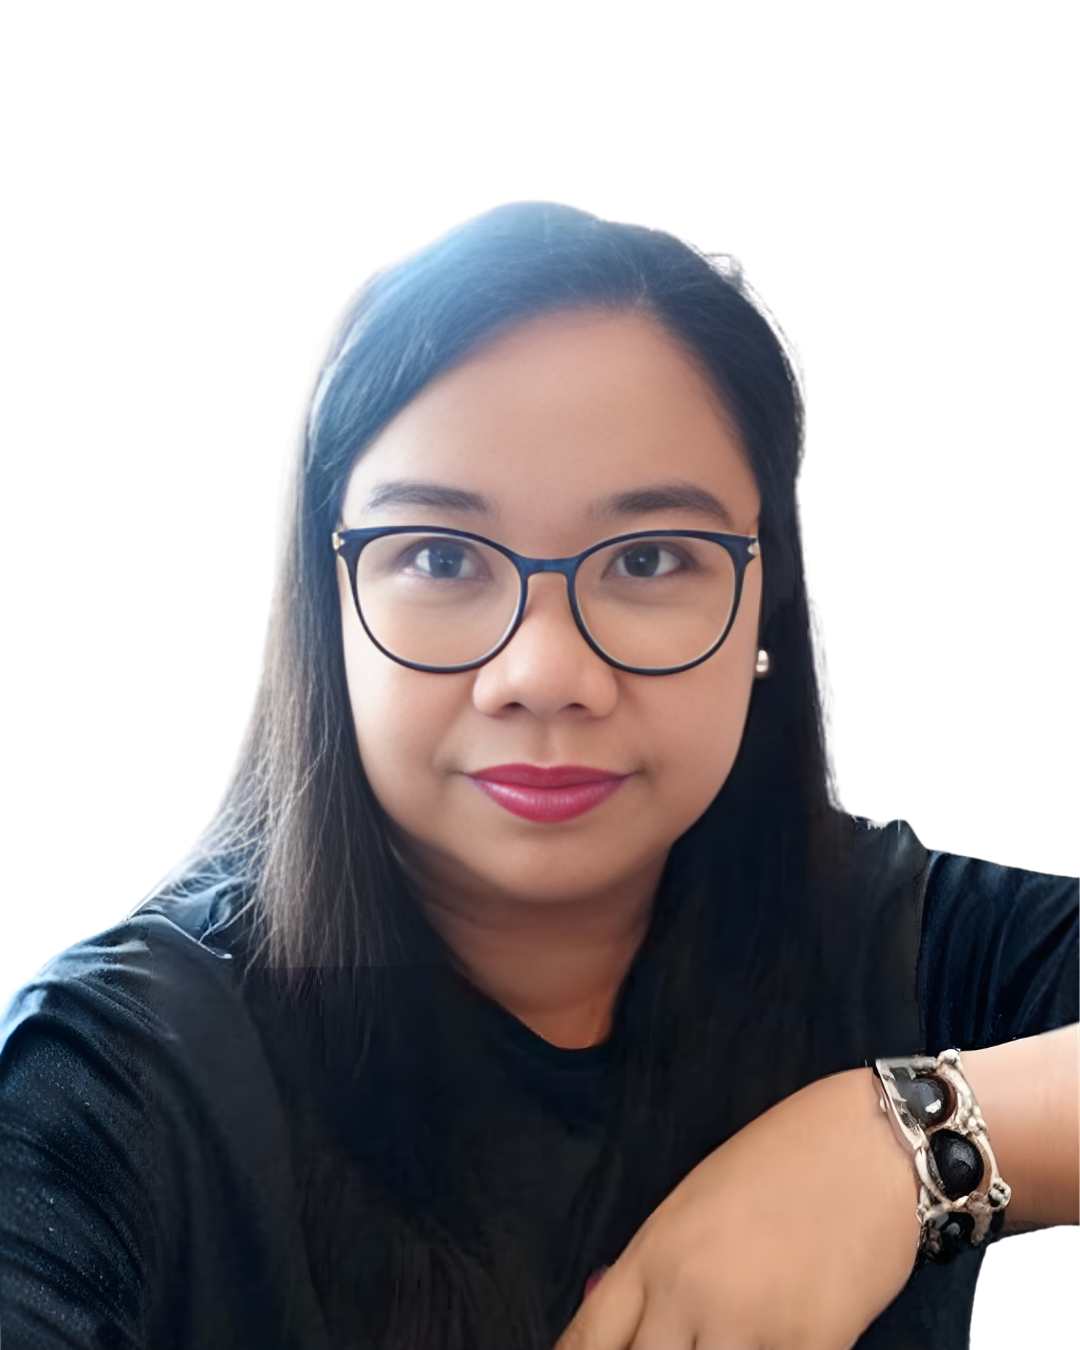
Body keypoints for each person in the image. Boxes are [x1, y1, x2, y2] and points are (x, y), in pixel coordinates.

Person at [0, 202, 1076, 1350]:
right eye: (441, 556)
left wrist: (900, 1144)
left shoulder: (903, 945)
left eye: (651, 558)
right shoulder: (114, 1081)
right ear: (332, 609)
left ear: (768, 599)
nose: (545, 672)